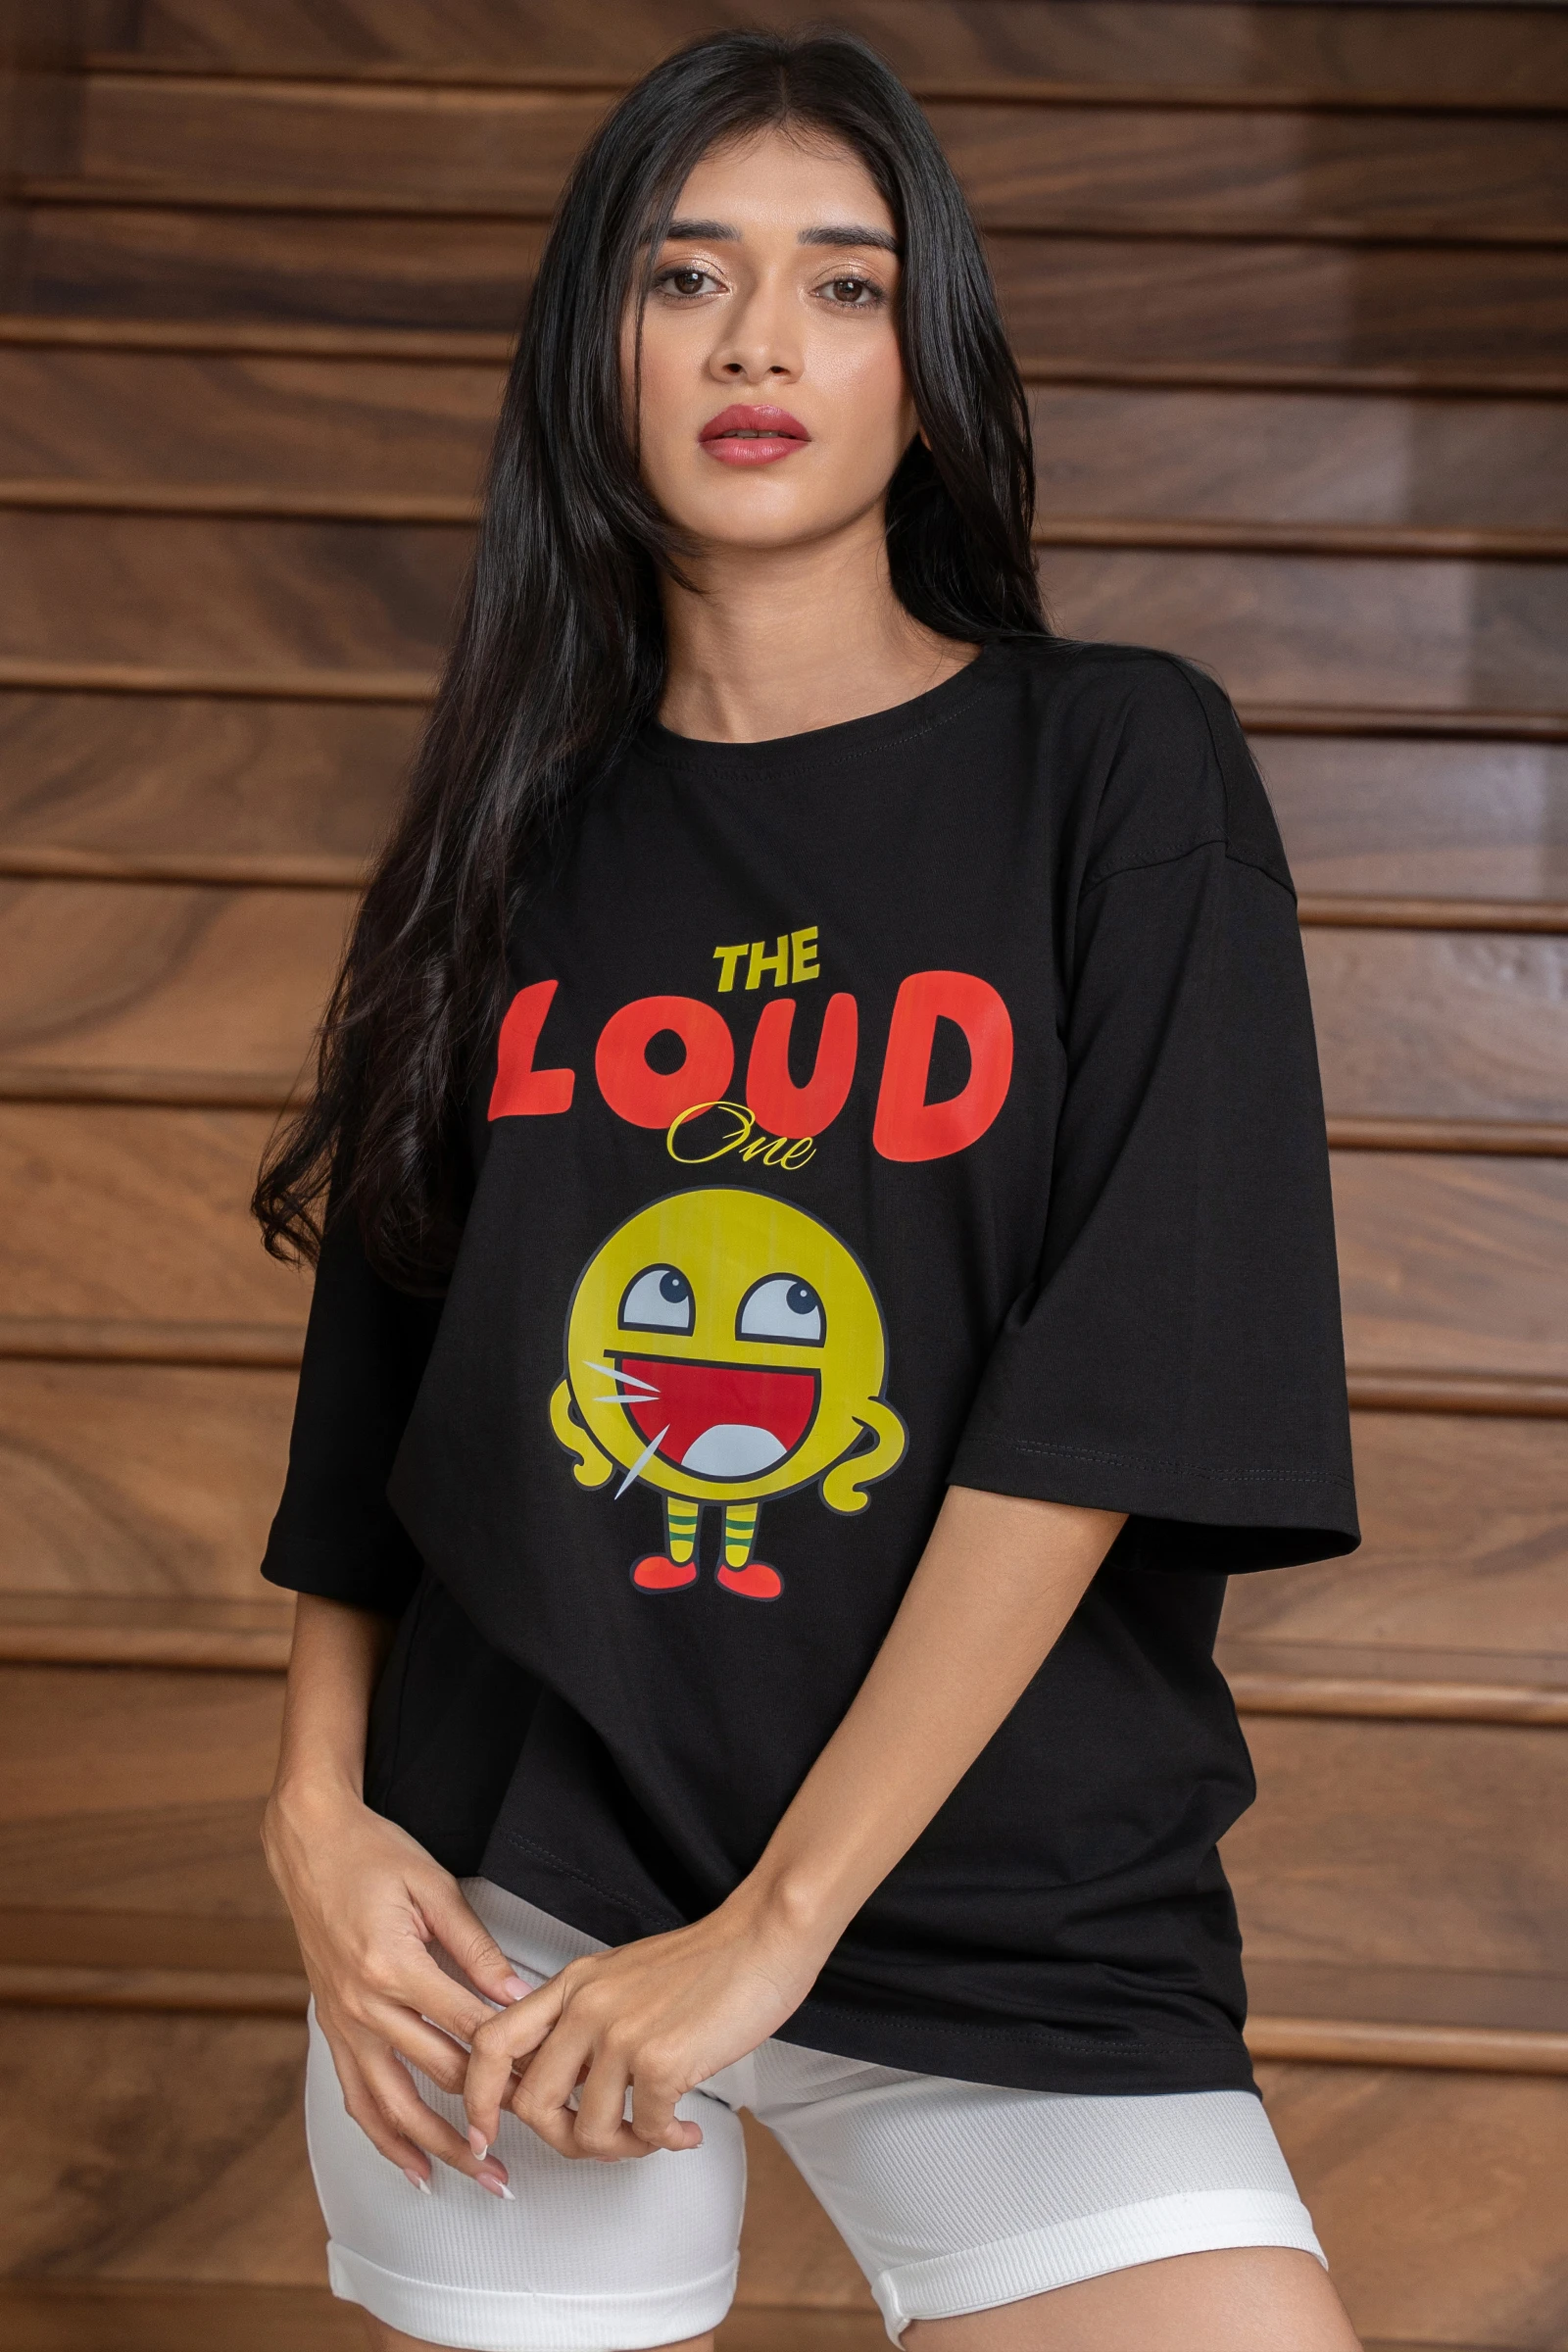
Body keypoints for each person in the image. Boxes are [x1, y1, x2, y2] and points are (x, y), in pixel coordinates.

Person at [255, 29, 1363, 2352]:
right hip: (506, 1904)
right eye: (685, 278)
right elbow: (380, 1406)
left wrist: (771, 1931)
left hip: (986, 1880)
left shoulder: (1113, 763)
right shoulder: (504, 840)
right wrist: (319, 1826)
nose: (758, 341)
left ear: (925, 376)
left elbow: (1116, 1376)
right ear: (596, 356)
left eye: (842, 286)